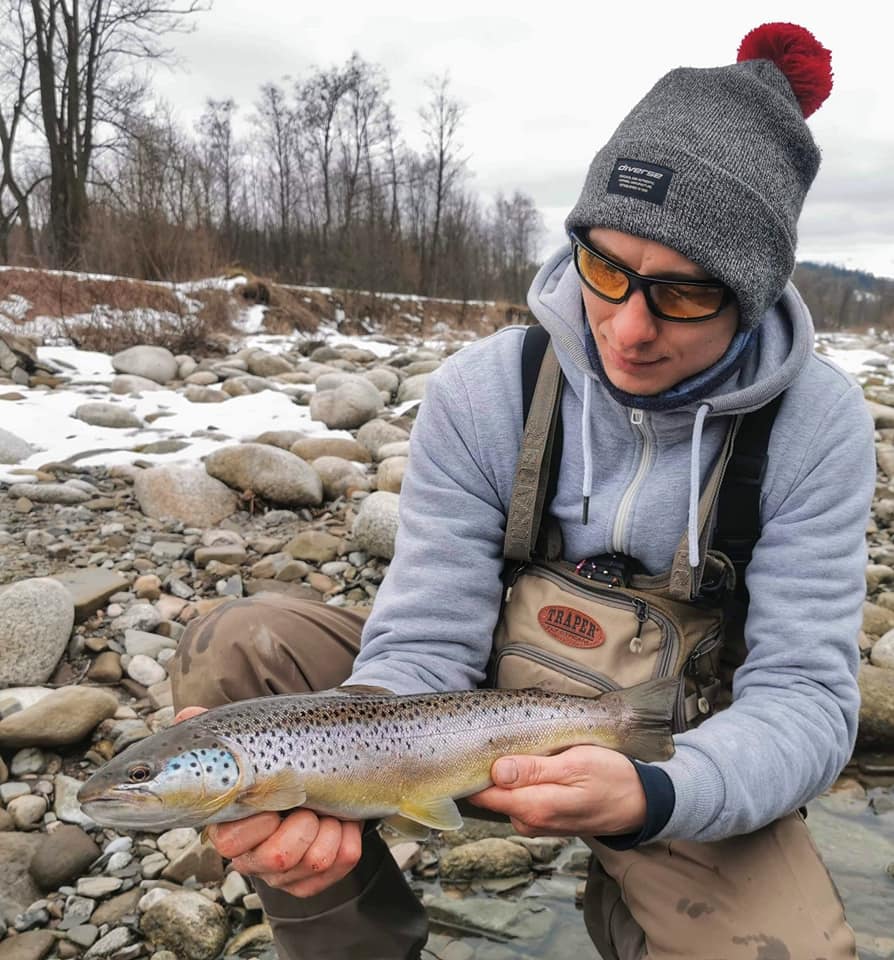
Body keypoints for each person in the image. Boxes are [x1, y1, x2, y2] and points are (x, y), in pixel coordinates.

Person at [170, 21, 876, 960]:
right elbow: (426, 639)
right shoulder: (485, 389)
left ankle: (627, 897)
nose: (628, 329)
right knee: (236, 649)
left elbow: (804, 697)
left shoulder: (816, 426)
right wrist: (351, 760)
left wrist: (655, 797)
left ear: (749, 296)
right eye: (605, 269)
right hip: (456, 725)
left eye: (684, 295)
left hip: (673, 748)